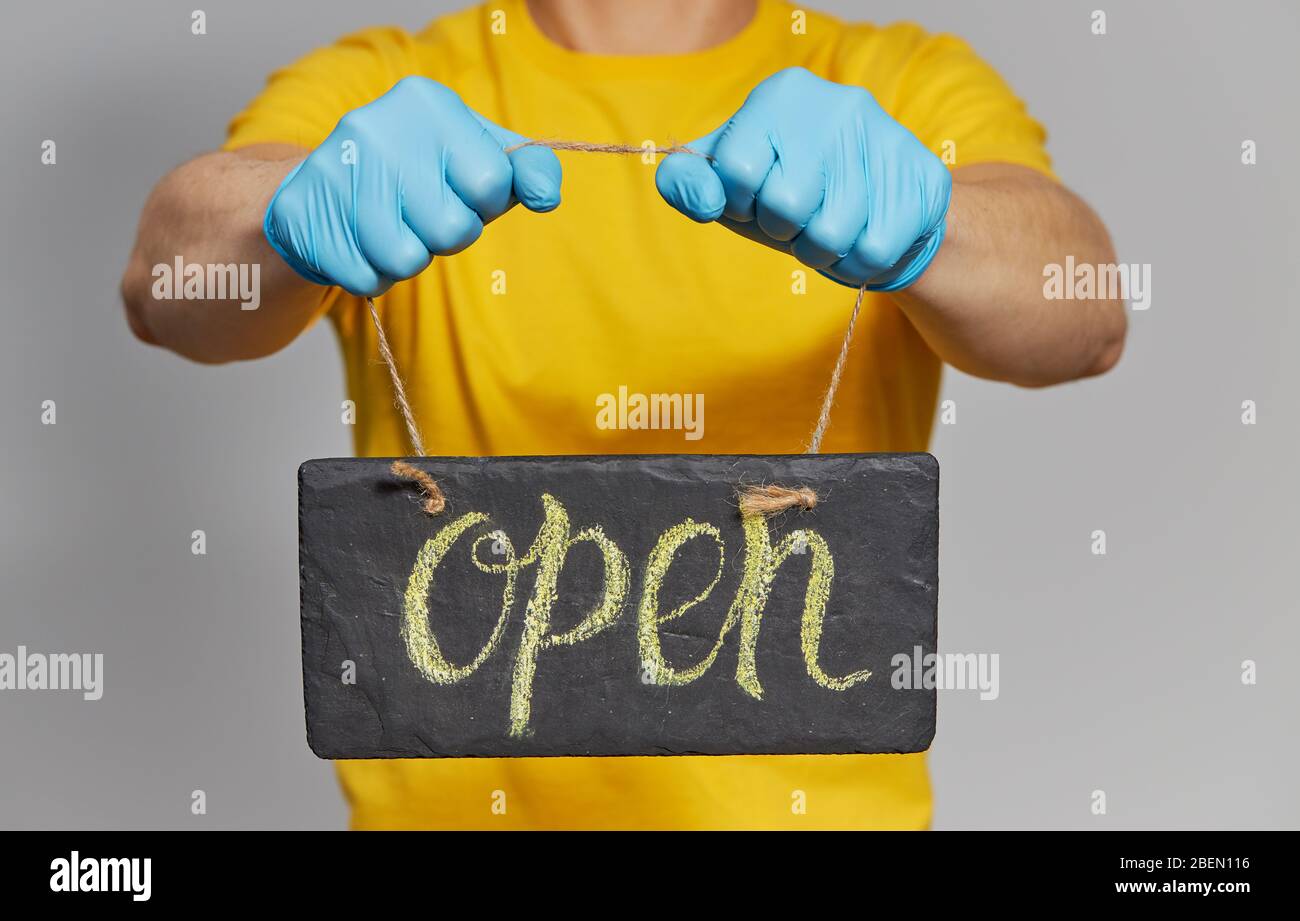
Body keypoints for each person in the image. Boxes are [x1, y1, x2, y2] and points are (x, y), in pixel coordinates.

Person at [120, 0, 1126, 829]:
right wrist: (290, 217)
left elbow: (1082, 317)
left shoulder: (894, 75)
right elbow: (165, 292)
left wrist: (931, 224)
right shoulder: (385, 81)